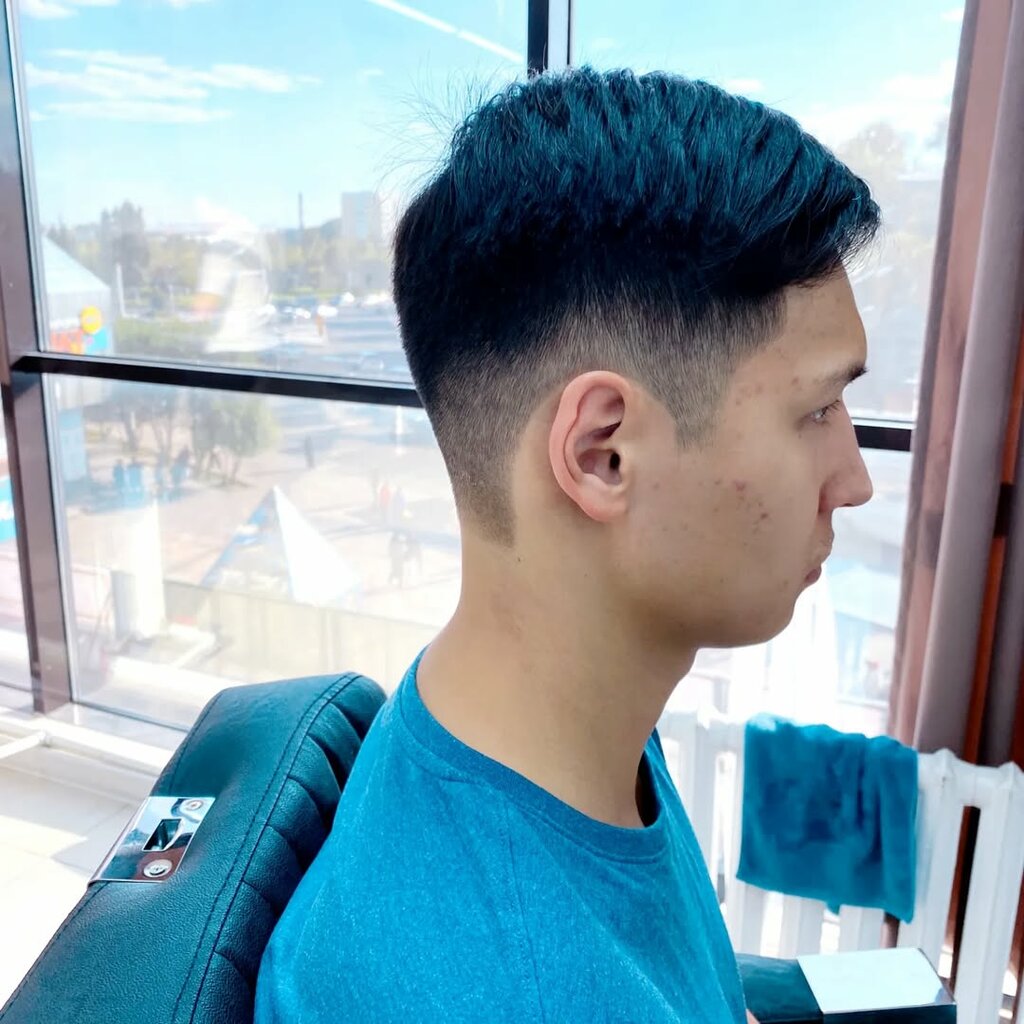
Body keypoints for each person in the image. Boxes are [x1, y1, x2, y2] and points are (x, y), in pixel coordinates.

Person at [255, 67, 877, 1023]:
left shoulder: (553, 725)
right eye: (820, 408)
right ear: (603, 453)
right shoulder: (504, 990)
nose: (856, 479)